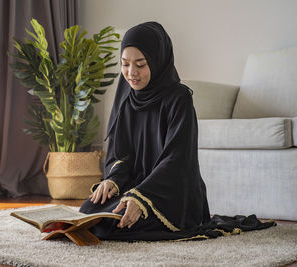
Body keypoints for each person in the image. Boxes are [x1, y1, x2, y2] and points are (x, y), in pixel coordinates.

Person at [79, 21, 275, 241]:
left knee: (114, 223)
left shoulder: (179, 99)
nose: (131, 73)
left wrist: (141, 197)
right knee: (88, 213)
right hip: (136, 185)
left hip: (172, 192)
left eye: (141, 64)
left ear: (157, 60)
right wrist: (112, 180)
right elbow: (121, 154)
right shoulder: (126, 98)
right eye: (125, 64)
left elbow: (177, 160)